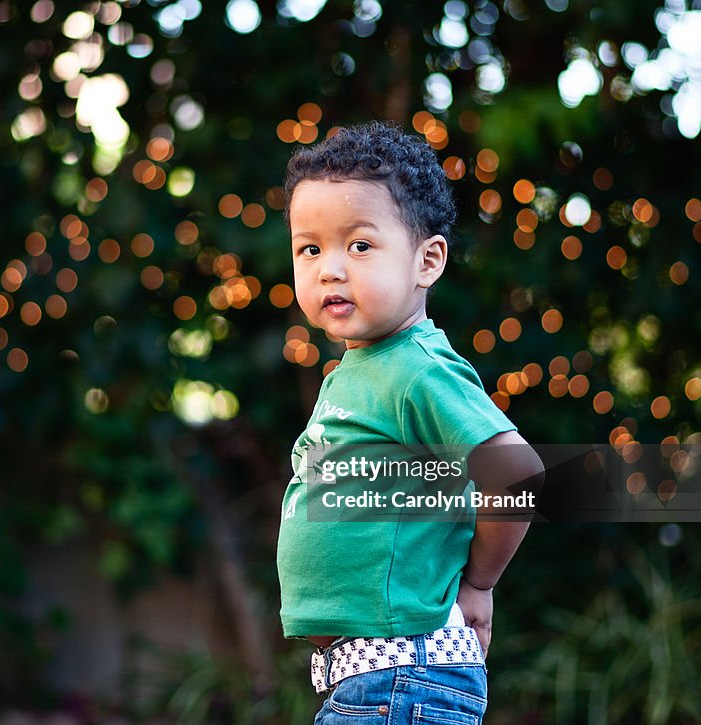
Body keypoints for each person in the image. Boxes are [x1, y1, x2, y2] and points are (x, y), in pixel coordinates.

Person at [275, 121, 544, 724]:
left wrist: (478, 585)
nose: (329, 269)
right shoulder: (359, 373)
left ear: (427, 261)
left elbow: (516, 472)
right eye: (309, 247)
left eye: (360, 245)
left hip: (407, 674)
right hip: (374, 676)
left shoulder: (416, 371)